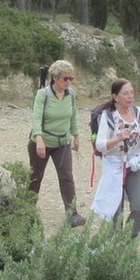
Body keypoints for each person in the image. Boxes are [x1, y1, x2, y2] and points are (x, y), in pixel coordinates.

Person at [28, 59, 85, 227]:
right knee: (35, 177)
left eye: (71, 79)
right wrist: (39, 139)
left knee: (66, 176)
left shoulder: (71, 95)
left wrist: (76, 135)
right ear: (54, 78)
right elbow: (36, 118)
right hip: (43, 142)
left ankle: (72, 214)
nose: (68, 82)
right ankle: (27, 210)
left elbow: (72, 115)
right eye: (65, 79)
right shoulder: (43, 94)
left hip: (62, 142)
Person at [91, 79, 140, 236]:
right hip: (114, 166)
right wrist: (117, 138)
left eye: (132, 92)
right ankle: (114, 249)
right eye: (125, 93)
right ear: (115, 97)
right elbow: (100, 145)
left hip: (134, 164)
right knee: (115, 212)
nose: (130, 96)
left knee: (139, 208)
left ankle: (127, 243)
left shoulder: (138, 112)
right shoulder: (108, 116)